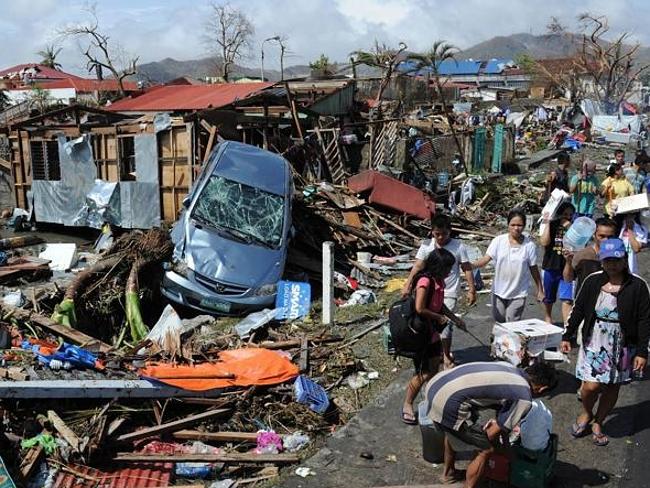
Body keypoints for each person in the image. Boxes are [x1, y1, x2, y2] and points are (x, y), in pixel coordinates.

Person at [561, 238, 650, 447]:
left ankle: (598, 422)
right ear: (602, 261)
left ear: (624, 259)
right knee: (590, 386)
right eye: (607, 260)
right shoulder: (593, 281)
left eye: (616, 260)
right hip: (595, 339)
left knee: (612, 386)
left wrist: (642, 352)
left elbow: (645, 320)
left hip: (622, 343)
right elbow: (579, 309)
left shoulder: (637, 285)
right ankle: (586, 413)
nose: (612, 265)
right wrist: (567, 335)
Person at [423, 361, 556, 487]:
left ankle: (449, 473)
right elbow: (490, 435)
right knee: (485, 449)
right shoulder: (523, 396)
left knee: (454, 429)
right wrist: (502, 450)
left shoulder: (510, 368)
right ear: (542, 388)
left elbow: (502, 418)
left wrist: (504, 444)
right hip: (448, 403)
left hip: (436, 385)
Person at [401, 248, 466, 425]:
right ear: (438, 266)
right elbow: (420, 308)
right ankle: (407, 404)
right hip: (421, 333)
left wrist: (454, 319)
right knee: (422, 372)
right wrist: (438, 318)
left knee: (434, 369)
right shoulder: (425, 281)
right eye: (447, 268)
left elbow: (440, 304)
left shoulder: (439, 282)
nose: (449, 272)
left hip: (433, 334)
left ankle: (430, 399)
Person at [402, 214, 476, 368]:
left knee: (445, 326)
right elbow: (417, 266)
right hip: (430, 293)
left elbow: (467, 269)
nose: (441, 237)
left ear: (450, 231)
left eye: (444, 234)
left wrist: (471, 290)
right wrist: (408, 284)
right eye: (437, 234)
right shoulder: (427, 246)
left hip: (449, 291)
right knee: (433, 322)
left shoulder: (458, 246)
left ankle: (446, 355)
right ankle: (433, 354)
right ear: (432, 232)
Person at [472, 209, 544, 322]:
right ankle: (497, 339)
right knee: (499, 320)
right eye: (513, 225)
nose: (516, 228)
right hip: (499, 290)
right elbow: (485, 260)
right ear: (508, 225)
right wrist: (470, 265)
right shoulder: (498, 241)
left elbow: (534, 269)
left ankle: (509, 338)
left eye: (519, 225)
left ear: (524, 226)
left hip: (518, 292)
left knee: (512, 323)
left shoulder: (529, 245)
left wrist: (540, 289)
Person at [540, 202, 575, 324]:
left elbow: (579, 244)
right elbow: (544, 242)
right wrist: (548, 222)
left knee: (567, 298)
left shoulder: (575, 228)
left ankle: (567, 324)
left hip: (567, 266)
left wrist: (570, 228)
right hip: (551, 265)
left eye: (571, 215)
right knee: (548, 297)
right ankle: (548, 316)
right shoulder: (552, 225)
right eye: (565, 214)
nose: (568, 217)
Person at [563, 217, 618, 290]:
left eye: (610, 237)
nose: (606, 240)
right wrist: (568, 262)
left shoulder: (619, 255)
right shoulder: (583, 255)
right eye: (602, 236)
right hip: (586, 299)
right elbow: (568, 279)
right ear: (594, 235)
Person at [601, 163, 634, 230]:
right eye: (621, 169)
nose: (622, 171)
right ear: (616, 171)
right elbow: (602, 195)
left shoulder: (624, 181)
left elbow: (631, 191)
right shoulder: (607, 181)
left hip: (622, 209)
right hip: (611, 211)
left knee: (619, 229)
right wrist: (607, 188)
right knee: (610, 229)